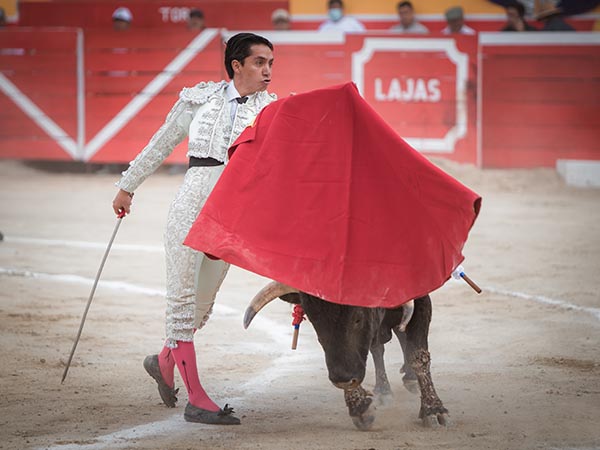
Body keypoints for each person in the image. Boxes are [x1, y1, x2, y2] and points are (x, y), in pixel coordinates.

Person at [111, 32, 276, 425]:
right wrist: (127, 186)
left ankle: (164, 362)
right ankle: (198, 399)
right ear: (236, 65)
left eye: (271, 63)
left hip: (230, 220)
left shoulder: (273, 111)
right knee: (182, 307)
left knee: (199, 309)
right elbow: (160, 143)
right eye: (259, 62)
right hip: (189, 210)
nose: (268, 71)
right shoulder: (198, 99)